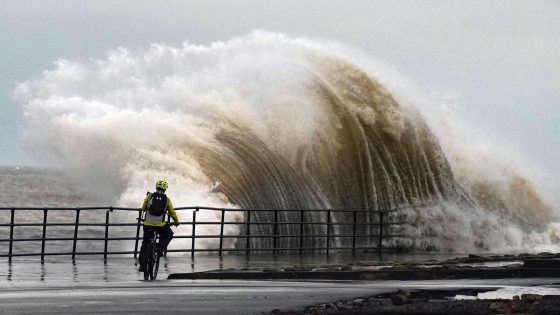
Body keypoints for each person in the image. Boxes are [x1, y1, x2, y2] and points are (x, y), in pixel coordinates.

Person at [138, 179, 179, 272]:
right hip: (160, 225)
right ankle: (160, 249)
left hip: (147, 224)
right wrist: (176, 222)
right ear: (165, 189)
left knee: (145, 243)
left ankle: (142, 265)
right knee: (168, 234)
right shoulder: (167, 200)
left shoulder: (149, 196)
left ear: (156, 187)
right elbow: (172, 213)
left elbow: (143, 208)